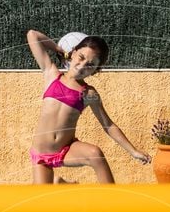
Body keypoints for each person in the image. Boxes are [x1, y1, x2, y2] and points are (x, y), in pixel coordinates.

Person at [27, 29, 151, 183]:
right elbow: (32, 35)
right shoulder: (51, 74)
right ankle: (62, 185)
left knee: (95, 154)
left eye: (90, 64)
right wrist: (60, 50)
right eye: (81, 57)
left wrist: (133, 151)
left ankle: (113, 202)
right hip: (41, 154)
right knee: (41, 203)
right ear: (73, 53)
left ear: (95, 71)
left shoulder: (88, 93)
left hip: (66, 150)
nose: (82, 65)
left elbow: (108, 125)